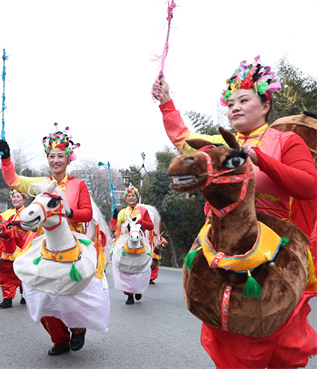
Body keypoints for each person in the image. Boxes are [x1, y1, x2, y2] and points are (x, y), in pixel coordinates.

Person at [153, 56, 317, 367]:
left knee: (281, 341)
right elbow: (183, 141)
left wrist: (260, 159)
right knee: (230, 331)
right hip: (226, 246)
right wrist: (166, 101)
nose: (234, 107)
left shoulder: (285, 141)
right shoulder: (221, 148)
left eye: (244, 99)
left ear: (265, 105)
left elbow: (309, 186)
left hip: (275, 250)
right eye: (230, 103)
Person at [0, 123, 109, 356]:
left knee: (74, 292)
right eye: (51, 156)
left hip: (73, 237)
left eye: (60, 156)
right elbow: (13, 181)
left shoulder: (77, 185)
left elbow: (87, 213)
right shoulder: (40, 183)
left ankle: (78, 328)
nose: (56, 160)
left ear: (68, 159)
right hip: (43, 239)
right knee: (40, 292)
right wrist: (6, 159)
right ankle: (59, 339)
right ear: (47, 158)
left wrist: (68, 212)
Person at [109, 184, 154, 303]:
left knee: (141, 267)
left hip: (139, 241)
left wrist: (142, 222)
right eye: (129, 196)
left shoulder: (143, 211)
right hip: (125, 241)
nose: (131, 198)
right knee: (125, 269)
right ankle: (129, 294)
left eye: (133, 195)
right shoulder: (123, 212)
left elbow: (151, 226)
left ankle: (139, 289)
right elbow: (114, 227)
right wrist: (114, 217)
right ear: (126, 198)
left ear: (137, 197)